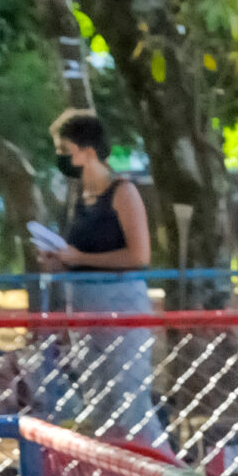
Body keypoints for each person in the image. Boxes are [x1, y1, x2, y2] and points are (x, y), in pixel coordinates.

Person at [35, 109, 166, 447]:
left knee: (131, 404)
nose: (61, 158)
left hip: (120, 308)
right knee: (100, 406)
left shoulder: (123, 192)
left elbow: (139, 256)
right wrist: (59, 260)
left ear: (88, 151)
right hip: (83, 311)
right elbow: (78, 252)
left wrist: (80, 258)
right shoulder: (76, 197)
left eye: (66, 150)